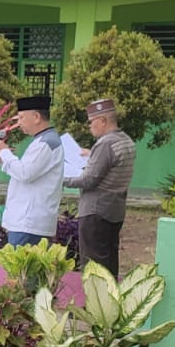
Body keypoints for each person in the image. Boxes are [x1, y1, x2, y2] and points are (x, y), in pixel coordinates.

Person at [65, 97, 138, 278]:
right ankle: (110, 303)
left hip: (95, 212)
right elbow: (113, 165)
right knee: (109, 262)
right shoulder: (125, 140)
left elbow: (89, 180)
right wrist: (92, 156)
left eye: (92, 122)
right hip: (114, 210)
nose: (90, 126)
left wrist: (62, 178)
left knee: (93, 267)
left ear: (103, 121)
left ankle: (96, 304)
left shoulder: (105, 144)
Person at [0, 94, 66, 247]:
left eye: (21, 118)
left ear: (36, 116)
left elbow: (25, 174)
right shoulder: (42, 140)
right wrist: (1, 158)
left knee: (21, 270)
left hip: (29, 223)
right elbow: (25, 171)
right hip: (27, 221)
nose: (19, 123)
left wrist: (4, 151)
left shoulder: (47, 142)